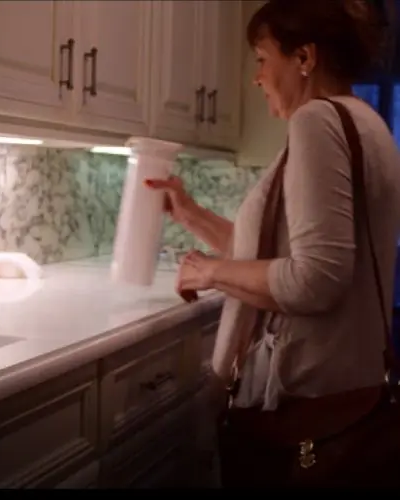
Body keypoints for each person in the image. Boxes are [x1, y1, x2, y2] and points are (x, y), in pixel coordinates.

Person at [146, 0, 400, 487]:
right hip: (353, 398)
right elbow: (278, 251)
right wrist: (191, 214)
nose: (256, 78)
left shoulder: (316, 123)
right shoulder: (365, 122)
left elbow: (313, 280)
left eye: (262, 59)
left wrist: (210, 272)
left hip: (307, 412)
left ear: (303, 58)